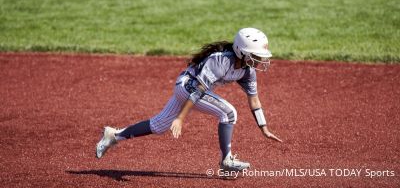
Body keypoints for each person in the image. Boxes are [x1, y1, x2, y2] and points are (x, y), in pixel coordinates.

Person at [95, 27, 282, 172]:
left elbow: (254, 100)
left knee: (159, 125)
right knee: (229, 113)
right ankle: (226, 160)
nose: (260, 60)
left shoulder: (247, 71)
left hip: (192, 90)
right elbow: (199, 89)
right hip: (187, 87)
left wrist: (264, 128)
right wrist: (181, 118)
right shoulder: (221, 60)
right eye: (256, 55)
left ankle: (114, 135)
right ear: (242, 51)